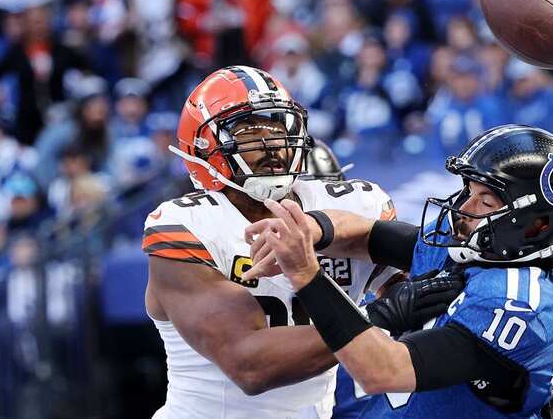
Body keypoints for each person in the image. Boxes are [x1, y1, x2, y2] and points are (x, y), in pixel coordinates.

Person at [141, 66, 461, 418]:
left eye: (277, 129)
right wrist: (382, 316)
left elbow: (424, 289)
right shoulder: (186, 224)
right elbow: (249, 365)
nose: (272, 145)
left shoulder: (352, 202)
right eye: (249, 133)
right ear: (205, 149)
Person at [244, 125, 553, 418]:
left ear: (534, 227)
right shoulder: (469, 251)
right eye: (467, 189)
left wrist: (309, 275)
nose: (464, 207)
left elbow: (380, 370)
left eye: (484, 200)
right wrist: (314, 226)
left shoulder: (515, 302)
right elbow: (370, 234)